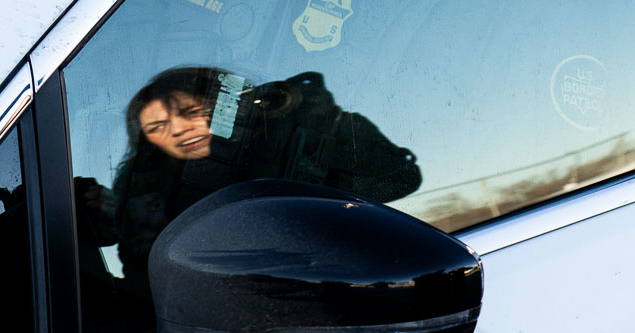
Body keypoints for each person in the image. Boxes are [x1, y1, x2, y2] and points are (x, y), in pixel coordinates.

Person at [82, 66, 422, 289]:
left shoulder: (271, 146)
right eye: (157, 127)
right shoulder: (140, 183)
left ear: (218, 108)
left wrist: (330, 127)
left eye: (189, 113)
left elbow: (403, 177)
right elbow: (140, 267)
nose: (179, 130)